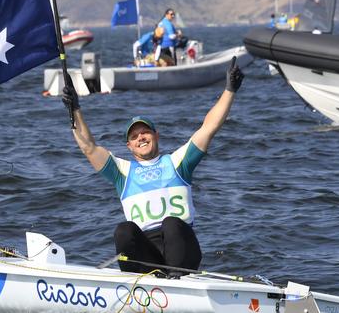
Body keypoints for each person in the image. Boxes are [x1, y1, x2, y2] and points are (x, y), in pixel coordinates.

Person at [61, 58, 244, 276]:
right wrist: (75, 108)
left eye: (145, 133)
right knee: (124, 230)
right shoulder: (122, 172)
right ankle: (135, 284)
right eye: (135, 136)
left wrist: (229, 90)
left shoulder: (178, 162)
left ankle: (176, 281)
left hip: (182, 249)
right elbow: (89, 147)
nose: (141, 138)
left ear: (156, 136)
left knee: (171, 223)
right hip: (148, 255)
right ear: (129, 146)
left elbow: (208, 128)